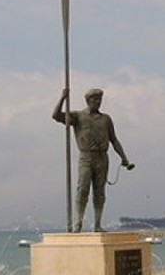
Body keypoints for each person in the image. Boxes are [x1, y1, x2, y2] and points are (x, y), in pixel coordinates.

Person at [52, 88, 133, 232]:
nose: (98, 102)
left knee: (99, 192)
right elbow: (56, 115)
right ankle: (78, 224)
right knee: (82, 189)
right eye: (95, 99)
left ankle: (97, 225)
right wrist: (63, 98)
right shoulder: (78, 116)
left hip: (102, 158)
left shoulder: (106, 119)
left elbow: (114, 140)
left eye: (100, 100)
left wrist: (124, 158)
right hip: (86, 157)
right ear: (88, 101)